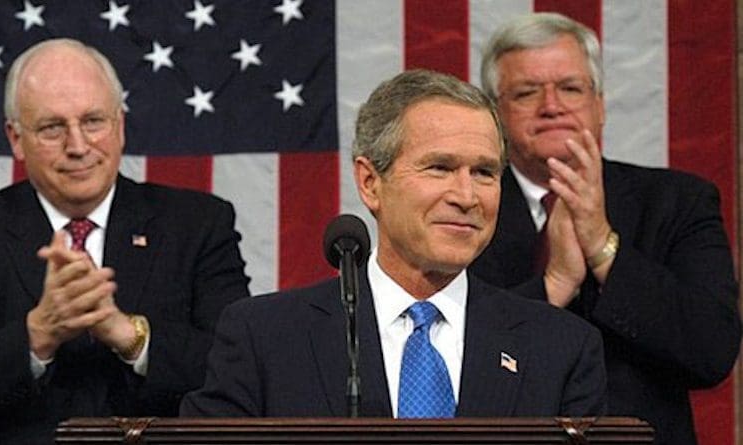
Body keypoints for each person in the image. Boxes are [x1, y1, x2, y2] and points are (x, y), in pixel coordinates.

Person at [180, 69, 607, 418]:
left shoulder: (561, 347)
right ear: (370, 183)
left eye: (484, 172)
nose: (466, 196)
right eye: (440, 167)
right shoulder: (265, 337)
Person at [0, 38, 251, 444]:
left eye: (93, 121)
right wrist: (37, 335)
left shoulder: (197, 225)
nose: (77, 146)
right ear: (15, 139)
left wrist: (128, 334)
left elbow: (240, 374)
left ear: (120, 125)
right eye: (52, 128)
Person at [467, 12, 742, 445]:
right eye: (526, 92)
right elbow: (451, 353)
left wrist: (602, 247)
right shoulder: (463, 208)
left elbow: (711, 352)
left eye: (571, 88)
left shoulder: (678, 202)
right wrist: (553, 287)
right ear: (495, 113)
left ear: (600, 105)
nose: (552, 105)